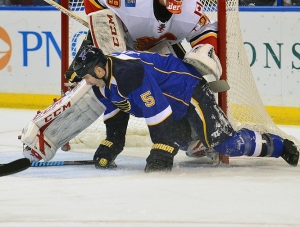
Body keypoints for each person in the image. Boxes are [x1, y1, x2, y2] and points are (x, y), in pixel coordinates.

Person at [72, 45, 299, 172]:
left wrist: (162, 145)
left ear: (99, 71)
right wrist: (112, 145)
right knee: (190, 147)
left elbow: (156, 109)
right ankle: (200, 138)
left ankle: (279, 146)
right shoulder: (101, 84)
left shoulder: (127, 73)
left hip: (189, 91)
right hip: (172, 105)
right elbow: (116, 111)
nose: (86, 82)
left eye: (87, 76)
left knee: (224, 144)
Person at [65, 0, 219, 82]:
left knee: (184, 80)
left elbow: (205, 29)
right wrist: (101, 28)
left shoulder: (190, 7)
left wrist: (206, 52)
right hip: (121, 36)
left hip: (157, 46)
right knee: (82, 76)